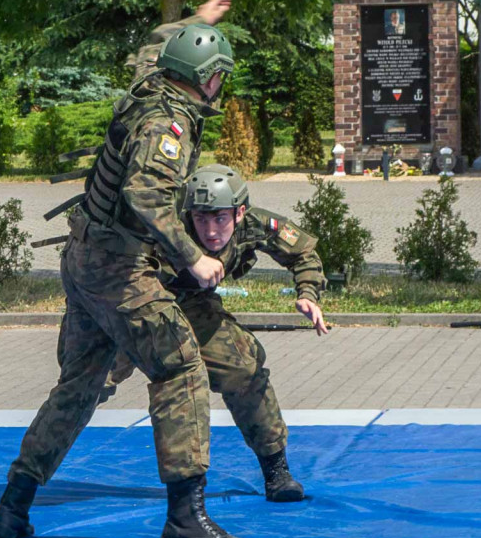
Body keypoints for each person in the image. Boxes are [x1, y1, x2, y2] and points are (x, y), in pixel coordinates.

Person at [0, 0, 253, 538]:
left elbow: (149, 45)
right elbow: (146, 193)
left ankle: (13, 505)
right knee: (179, 365)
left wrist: (197, 22)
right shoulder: (168, 122)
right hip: (117, 268)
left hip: (84, 259)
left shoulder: (150, 82)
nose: (220, 88)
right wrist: (192, 257)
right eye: (218, 78)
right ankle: (185, 520)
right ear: (204, 80)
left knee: (79, 386)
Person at [103, 164, 329, 501]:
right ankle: (26, 482)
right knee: (87, 384)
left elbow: (303, 252)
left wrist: (307, 294)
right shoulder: (166, 225)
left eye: (220, 218)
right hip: (134, 306)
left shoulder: (255, 223)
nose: (210, 230)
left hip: (193, 306)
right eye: (201, 219)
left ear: (239, 213)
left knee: (245, 368)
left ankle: (277, 471)